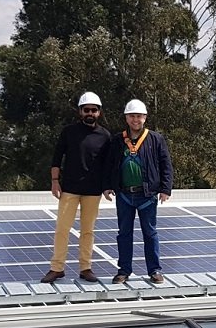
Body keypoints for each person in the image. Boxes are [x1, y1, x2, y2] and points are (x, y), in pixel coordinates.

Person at [41, 91, 114, 284]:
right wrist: (55, 181)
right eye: (86, 110)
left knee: (88, 231)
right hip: (70, 189)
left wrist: (107, 187)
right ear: (80, 112)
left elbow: (108, 165)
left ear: (99, 112)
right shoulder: (69, 132)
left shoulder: (105, 136)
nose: (90, 113)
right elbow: (57, 157)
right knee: (62, 229)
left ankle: (85, 268)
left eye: (94, 110)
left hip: (93, 191)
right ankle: (57, 268)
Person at [103, 98, 173, 284]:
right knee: (124, 234)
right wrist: (107, 185)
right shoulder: (117, 140)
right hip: (124, 195)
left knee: (150, 233)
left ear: (145, 118)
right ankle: (124, 271)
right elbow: (109, 164)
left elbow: (166, 165)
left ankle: (155, 270)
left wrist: (165, 188)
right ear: (126, 118)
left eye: (139, 116)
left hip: (147, 195)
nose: (136, 120)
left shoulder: (155, 139)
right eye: (132, 116)